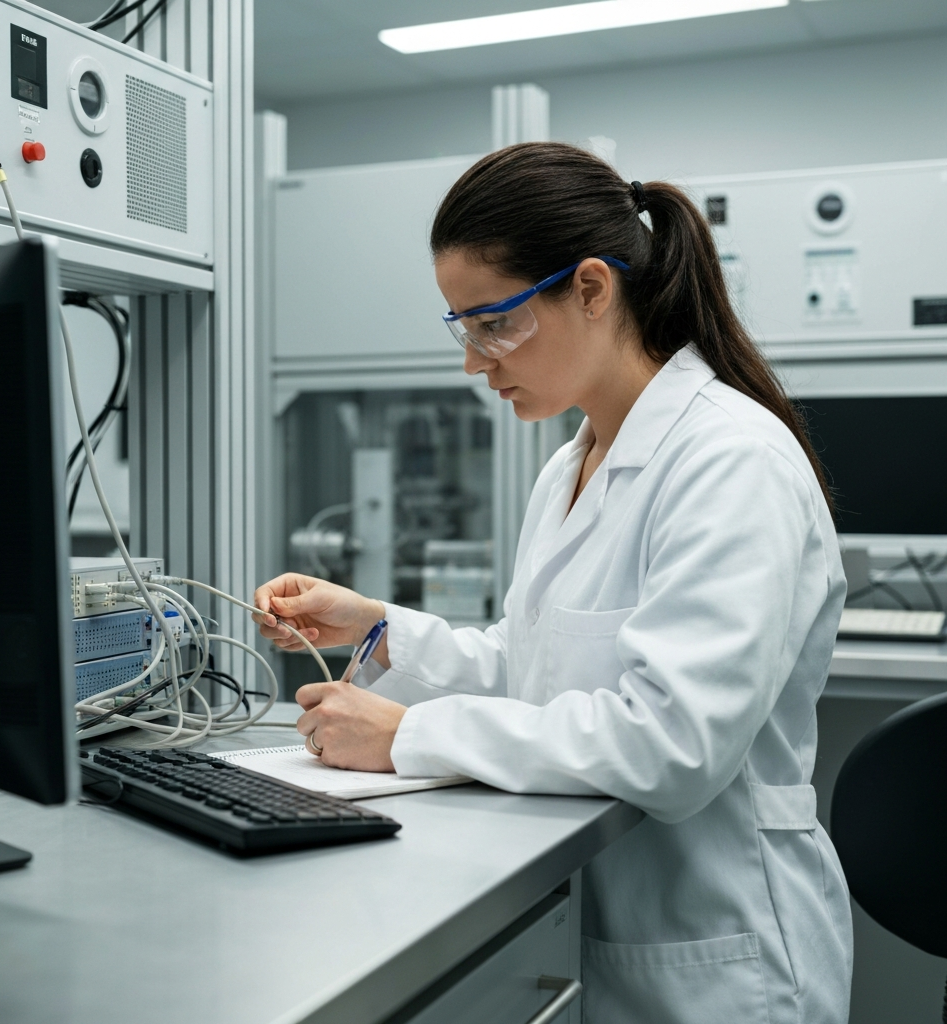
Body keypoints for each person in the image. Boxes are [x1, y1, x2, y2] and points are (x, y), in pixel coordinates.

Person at [254, 142, 852, 1024]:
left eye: (494, 323)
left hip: (719, 953)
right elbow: (535, 667)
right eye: (464, 329)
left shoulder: (731, 459)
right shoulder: (572, 463)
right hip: (596, 922)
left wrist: (410, 736)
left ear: (592, 289)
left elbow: (672, 743)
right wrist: (375, 624)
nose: (476, 361)